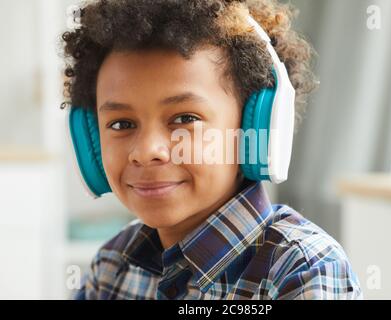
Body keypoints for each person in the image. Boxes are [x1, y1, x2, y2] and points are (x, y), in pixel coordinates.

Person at [60, 0, 362, 299]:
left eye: (185, 118)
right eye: (121, 124)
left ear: (253, 129)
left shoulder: (304, 270)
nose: (147, 150)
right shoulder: (112, 266)